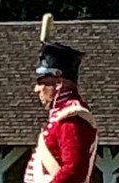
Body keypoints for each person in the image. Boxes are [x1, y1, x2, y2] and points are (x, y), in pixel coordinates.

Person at [22, 41, 98, 183]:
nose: (37, 89)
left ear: (58, 83)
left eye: (41, 82)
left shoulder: (72, 117)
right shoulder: (61, 117)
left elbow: (74, 171)